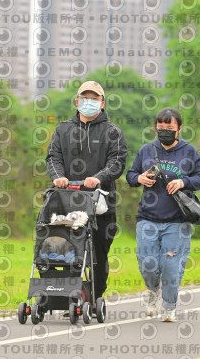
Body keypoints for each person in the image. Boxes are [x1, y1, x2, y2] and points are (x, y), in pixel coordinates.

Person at [46, 80, 128, 305]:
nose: (89, 102)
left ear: (102, 103)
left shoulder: (113, 132)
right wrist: (58, 177)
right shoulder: (63, 130)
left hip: (101, 204)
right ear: (77, 101)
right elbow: (53, 157)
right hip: (67, 203)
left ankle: (95, 297)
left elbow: (117, 162)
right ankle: (69, 298)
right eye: (85, 98)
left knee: (98, 255)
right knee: (66, 251)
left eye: (94, 98)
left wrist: (99, 178)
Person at [126, 107, 200, 322]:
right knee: (147, 263)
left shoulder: (188, 152)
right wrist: (139, 178)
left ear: (179, 129)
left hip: (177, 220)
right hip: (147, 218)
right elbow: (130, 175)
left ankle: (169, 307)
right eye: (160, 126)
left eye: (169, 127)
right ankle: (153, 291)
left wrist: (183, 182)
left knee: (171, 266)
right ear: (155, 127)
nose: (164, 130)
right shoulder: (146, 150)